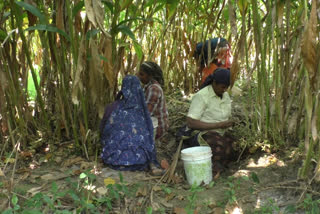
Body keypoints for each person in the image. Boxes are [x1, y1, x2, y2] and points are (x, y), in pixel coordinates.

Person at [100, 75, 161, 173]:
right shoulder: (143, 111)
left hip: (112, 161)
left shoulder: (111, 107)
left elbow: (103, 130)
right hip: (140, 163)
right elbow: (149, 135)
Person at [182, 68, 236, 174]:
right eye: (223, 87)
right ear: (214, 83)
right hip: (201, 133)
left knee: (235, 145)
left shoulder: (225, 95)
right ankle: (213, 170)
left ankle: (223, 166)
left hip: (220, 131)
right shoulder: (202, 96)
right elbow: (191, 122)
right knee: (219, 146)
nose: (225, 90)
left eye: (227, 87)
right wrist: (219, 125)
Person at [137, 61, 169, 140]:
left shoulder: (154, 89)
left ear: (150, 76)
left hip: (158, 129)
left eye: (142, 74)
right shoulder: (147, 86)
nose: (138, 76)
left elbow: (146, 113)